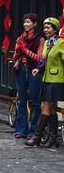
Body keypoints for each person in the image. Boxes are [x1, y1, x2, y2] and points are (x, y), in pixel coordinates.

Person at [26, 17, 64, 148]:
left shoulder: (61, 43)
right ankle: (53, 138)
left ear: (55, 29)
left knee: (46, 107)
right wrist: (39, 68)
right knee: (51, 108)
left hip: (57, 80)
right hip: (46, 78)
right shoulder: (47, 43)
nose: (45, 30)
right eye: (44, 28)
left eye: (48, 28)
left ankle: (37, 137)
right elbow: (45, 60)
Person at [11, 13, 44, 140]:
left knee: (36, 102)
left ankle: (34, 131)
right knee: (21, 101)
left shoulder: (40, 39)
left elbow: (39, 59)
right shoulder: (20, 38)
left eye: (28, 22)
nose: (25, 24)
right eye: (24, 22)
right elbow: (14, 57)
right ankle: (21, 130)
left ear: (35, 24)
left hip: (34, 71)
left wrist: (24, 50)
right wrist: (18, 50)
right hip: (21, 70)